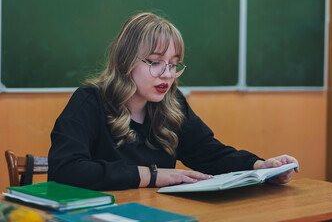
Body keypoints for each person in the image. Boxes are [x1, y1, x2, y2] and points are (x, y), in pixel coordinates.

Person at [48, 12, 299, 191]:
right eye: (155, 62)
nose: (167, 74)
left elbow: (209, 153)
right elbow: (66, 169)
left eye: (173, 65)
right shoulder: (90, 100)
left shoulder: (171, 103)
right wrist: (152, 176)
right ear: (126, 60)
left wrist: (261, 166)